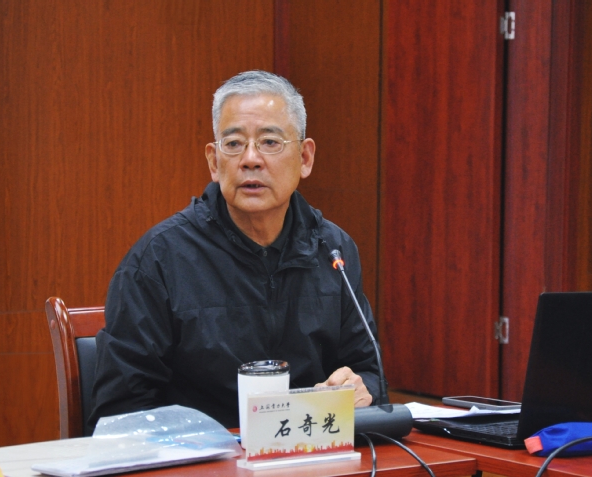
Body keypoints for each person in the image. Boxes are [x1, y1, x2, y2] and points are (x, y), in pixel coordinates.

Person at [88, 70, 381, 434]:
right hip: (199, 456)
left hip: (307, 450)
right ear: (214, 162)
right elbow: (120, 410)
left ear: (305, 158)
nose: (251, 159)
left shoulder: (333, 250)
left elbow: (369, 371)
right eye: (234, 144)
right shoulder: (160, 258)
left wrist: (361, 388)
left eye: (270, 142)